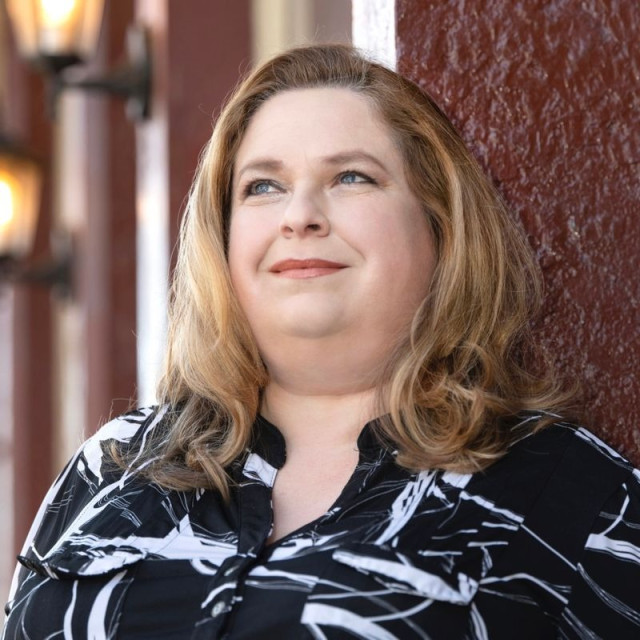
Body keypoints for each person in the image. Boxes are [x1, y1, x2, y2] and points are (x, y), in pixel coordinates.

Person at [3, 44, 639, 639]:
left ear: (440, 226)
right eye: (263, 186)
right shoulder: (113, 466)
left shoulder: (571, 494)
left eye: (351, 177)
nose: (299, 215)